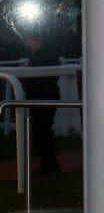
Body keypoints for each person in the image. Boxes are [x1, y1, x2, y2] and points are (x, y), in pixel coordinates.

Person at [20, 32, 61, 174]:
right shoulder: (46, 55)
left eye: (32, 40)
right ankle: (49, 163)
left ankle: (49, 164)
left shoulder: (43, 56)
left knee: (41, 132)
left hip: (43, 97)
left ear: (39, 41)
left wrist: (24, 80)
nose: (30, 43)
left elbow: (40, 78)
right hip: (44, 96)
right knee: (42, 131)